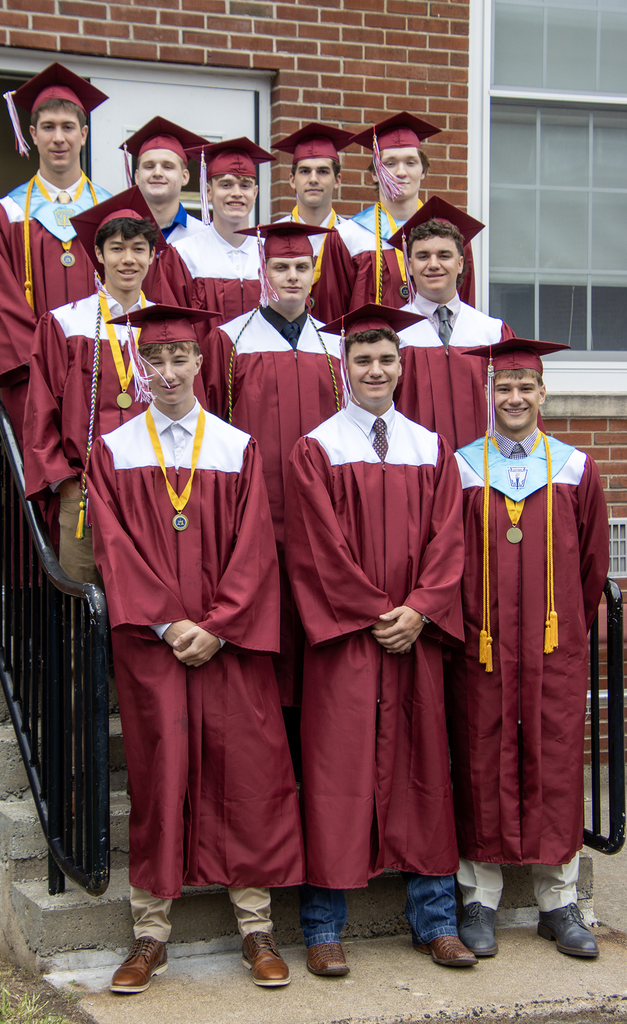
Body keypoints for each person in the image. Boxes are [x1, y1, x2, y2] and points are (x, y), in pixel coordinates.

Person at [86, 304, 305, 993]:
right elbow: (113, 548)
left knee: (244, 772)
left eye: (180, 357)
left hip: (228, 644)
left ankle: (255, 927)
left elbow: (255, 548)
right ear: (140, 366)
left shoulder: (236, 447)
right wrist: (166, 625)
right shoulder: (115, 449)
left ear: (201, 362)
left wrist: (218, 625)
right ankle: (150, 933)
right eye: (155, 359)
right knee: (158, 777)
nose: (169, 371)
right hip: (154, 649)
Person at [285, 304, 477, 977]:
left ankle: (438, 922)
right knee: (334, 773)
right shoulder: (317, 447)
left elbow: (449, 539)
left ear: (402, 367)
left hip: (415, 636)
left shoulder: (430, 447)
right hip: (348, 639)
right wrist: (375, 612)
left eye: (386, 360)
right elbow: (316, 546)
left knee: (425, 769)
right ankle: (323, 926)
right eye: (362, 360)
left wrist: (420, 609)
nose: (375, 370)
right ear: (344, 368)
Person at [450, 338, 608, 960]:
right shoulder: (463, 467)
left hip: (551, 645)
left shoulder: (574, 467)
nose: (514, 398)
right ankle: (479, 898)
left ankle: (557, 902)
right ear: (489, 393)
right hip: (484, 644)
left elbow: (592, 562)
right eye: (504, 387)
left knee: (557, 758)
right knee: (481, 755)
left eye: (525, 387)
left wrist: (563, 629)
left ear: (543, 394)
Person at [201, 221, 342, 708]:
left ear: (314, 272)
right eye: (281, 267)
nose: (292, 276)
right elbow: (213, 420)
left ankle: (316, 716)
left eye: (302, 266)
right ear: (263, 271)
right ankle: (270, 718)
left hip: (323, 504)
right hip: (255, 501)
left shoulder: (336, 343)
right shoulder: (229, 339)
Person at [23, 188, 165, 583]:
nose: (128, 259)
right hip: (83, 495)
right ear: (98, 254)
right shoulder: (66, 324)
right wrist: (65, 484)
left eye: (138, 249)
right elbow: (41, 410)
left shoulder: (165, 327)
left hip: (153, 494)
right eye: (116, 248)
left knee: (145, 599)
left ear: (152, 256)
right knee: (82, 601)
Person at [0, 63, 112, 447]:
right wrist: (42, 363)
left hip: (103, 366)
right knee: (43, 467)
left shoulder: (111, 212)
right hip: (33, 374)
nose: (59, 138)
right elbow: (1, 302)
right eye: (48, 127)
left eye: (68, 127)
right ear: (32, 134)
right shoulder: (5, 215)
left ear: (83, 134)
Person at [390, 196, 515, 450]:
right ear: (410, 266)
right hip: (415, 463)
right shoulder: (393, 333)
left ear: (460, 264)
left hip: (484, 465)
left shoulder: (492, 332)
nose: (433, 264)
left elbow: (517, 406)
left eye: (444, 255)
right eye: (423, 256)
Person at [347, 113, 475, 309]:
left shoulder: (451, 233)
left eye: (411, 162)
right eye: (390, 163)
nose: (401, 172)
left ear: (423, 171)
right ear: (374, 173)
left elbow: (464, 308)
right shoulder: (349, 236)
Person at [156, 138, 274, 342]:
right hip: (204, 362)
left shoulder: (271, 253)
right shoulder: (183, 255)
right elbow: (171, 332)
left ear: (255, 193)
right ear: (208, 191)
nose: (236, 193)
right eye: (226, 185)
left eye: (245, 185)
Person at [273, 121, 378, 322]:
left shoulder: (354, 238)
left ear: (337, 180)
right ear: (292, 180)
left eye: (322, 171)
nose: (313, 179)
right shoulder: (271, 236)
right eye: (305, 171)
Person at [121, 115, 208, 245]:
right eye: (149, 166)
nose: (157, 173)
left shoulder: (203, 235)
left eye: (168, 167)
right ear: (137, 177)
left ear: (184, 177)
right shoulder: (118, 233)